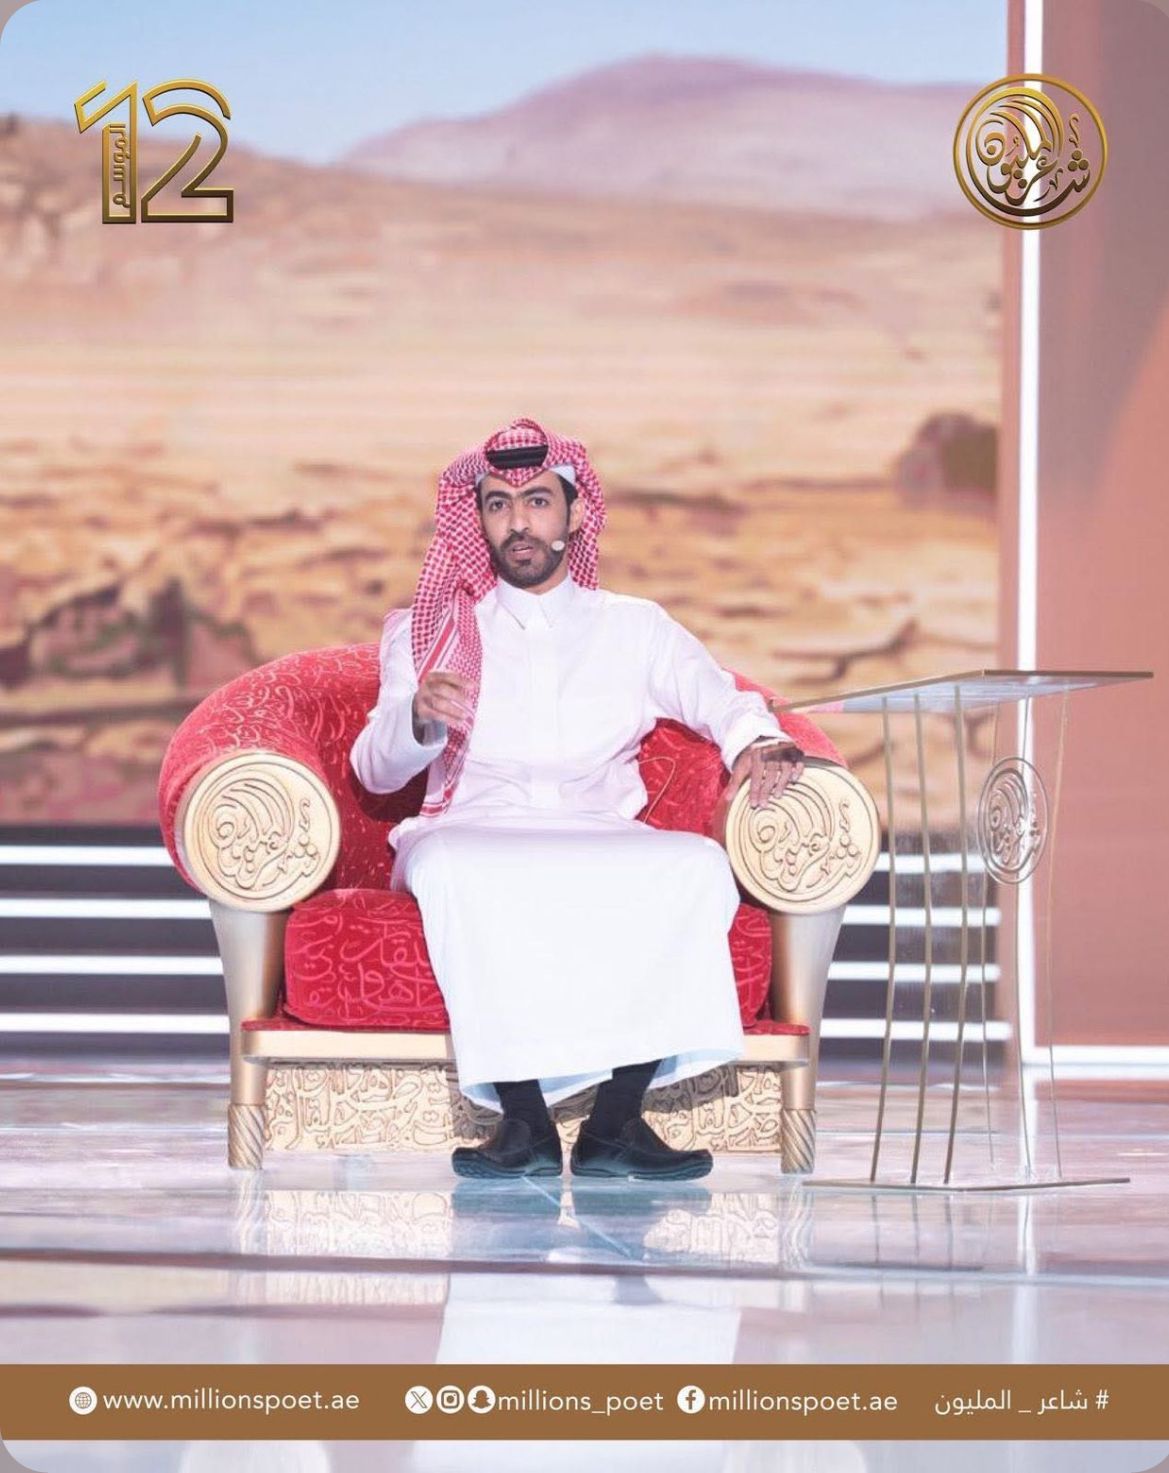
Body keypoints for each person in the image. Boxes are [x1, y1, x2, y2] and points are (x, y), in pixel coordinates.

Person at [349, 417, 805, 1181]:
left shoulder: (634, 627)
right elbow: (374, 770)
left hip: (598, 827)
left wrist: (755, 741)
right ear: (477, 519)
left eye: (535, 501)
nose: (516, 522)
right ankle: (522, 1121)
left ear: (575, 513)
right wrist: (419, 717)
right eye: (497, 504)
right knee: (460, 870)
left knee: (695, 865)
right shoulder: (430, 632)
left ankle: (616, 1121)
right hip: (472, 827)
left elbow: (718, 698)